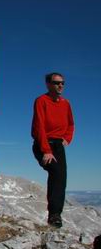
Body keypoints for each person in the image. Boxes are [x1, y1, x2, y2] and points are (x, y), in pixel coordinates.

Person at [31, 72, 74, 228]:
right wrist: (46, 150)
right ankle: (54, 215)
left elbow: (71, 123)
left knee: (61, 178)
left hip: (58, 145)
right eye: (56, 83)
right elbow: (39, 126)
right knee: (56, 172)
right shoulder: (41, 101)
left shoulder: (66, 103)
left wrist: (67, 138)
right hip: (43, 143)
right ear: (48, 84)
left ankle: (56, 215)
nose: (60, 85)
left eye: (62, 83)